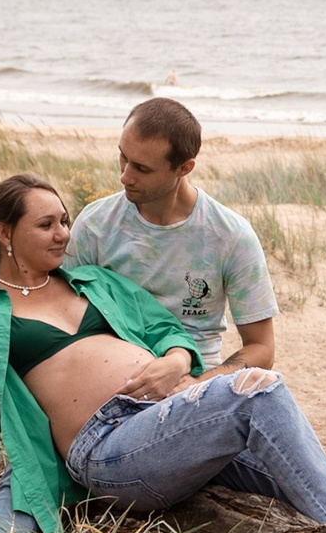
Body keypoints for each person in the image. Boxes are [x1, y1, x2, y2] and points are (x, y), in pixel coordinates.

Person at [0, 172, 326, 533]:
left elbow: (167, 331)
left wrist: (178, 361)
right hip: (106, 447)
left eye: (64, 221)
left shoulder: (94, 281)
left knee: (322, 481)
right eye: (46, 225)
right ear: (3, 232)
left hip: (167, 422)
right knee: (257, 391)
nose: (63, 235)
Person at [66, 96, 276, 389]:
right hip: (115, 377)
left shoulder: (231, 235)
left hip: (196, 380)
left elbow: (261, 348)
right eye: (123, 157)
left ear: (184, 168)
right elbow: (64, 318)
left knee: (270, 389)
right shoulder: (95, 225)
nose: (125, 176)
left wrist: (196, 383)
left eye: (142, 168)